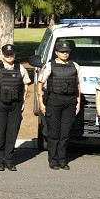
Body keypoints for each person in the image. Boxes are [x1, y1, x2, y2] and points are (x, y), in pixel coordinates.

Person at [0, 43, 32, 171]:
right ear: (3, 55)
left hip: (15, 104)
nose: (9, 56)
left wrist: (23, 101)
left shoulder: (20, 68)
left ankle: (9, 160)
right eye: (7, 54)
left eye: (11, 54)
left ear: (15, 54)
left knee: (12, 133)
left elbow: (26, 84)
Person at [37, 40, 82, 170]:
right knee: (54, 133)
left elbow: (78, 85)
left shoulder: (75, 66)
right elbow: (40, 83)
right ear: (56, 53)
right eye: (62, 52)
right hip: (53, 101)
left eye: (67, 51)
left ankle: (62, 160)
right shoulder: (50, 66)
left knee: (65, 133)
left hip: (70, 102)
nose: (65, 54)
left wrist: (78, 102)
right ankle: (53, 160)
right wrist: (41, 102)